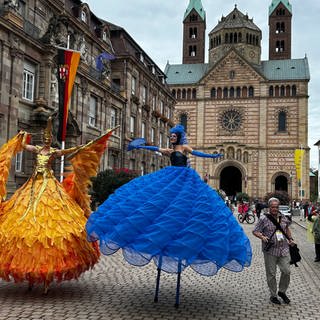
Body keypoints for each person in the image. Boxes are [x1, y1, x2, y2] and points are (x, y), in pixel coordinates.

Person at [86, 124, 252, 306]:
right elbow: (154, 148)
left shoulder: (184, 148)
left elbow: (198, 154)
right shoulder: (170, 150)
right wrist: (140, 146)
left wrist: (214, 156)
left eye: (174, 136)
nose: (171, 138)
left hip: (185, 181)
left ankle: (182, 243)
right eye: (171, 136)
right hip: (170, 180)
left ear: (179, 136)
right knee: (156, 207)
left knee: (186, 211)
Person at [0, 117, 117, 293]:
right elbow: (24, 147)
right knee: (24, 219)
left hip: (49, 185)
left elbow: (68, 151)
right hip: (33, 185)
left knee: (54, 222)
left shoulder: (54, 152)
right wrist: (21, 137)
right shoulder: (38, 149)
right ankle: (33, 273)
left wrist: (81, 148)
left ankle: (47, 275)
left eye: (49, 138)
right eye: (45, 138)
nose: (46, 141)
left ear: (51, 140)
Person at [253, 197, 295, 305]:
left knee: (287, 271)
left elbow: (286, 229)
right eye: (272, 207)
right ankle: (273, 295)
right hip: (270, 251)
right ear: (269, 207)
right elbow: (255, 231)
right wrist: (262, 237)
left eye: (276, 207)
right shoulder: (263, 219)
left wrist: (290, 239)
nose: (275, 209)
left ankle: (282, 291)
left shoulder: (284, 217)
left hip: (284, 249)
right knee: (271, 274)